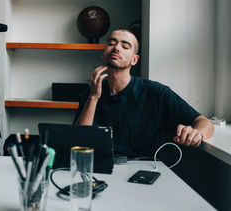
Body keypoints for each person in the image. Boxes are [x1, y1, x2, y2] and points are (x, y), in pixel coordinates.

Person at [74, 29, 214, 157]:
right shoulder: (90, 92)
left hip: (140, 169)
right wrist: (93, 98)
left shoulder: (155, 92)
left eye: (125, 46)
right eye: (111, 43)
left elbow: (204, 123)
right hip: (96, 167)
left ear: (134, 60)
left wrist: (197, 134)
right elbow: (79, 141)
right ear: (103, 53)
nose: (117, 48)